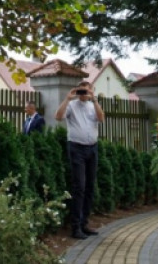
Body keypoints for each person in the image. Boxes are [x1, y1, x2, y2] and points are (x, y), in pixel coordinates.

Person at [55, 79, 105, 239]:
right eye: (81, 90)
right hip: (77, 148)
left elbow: (101, 118)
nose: (84, 93)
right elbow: (57, 117)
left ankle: (84, 224)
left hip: (92, 149)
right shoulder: (71, 105)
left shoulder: (92, 105)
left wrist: (94, 99)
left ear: (91, 90)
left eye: (87, 90)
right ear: (77, 91)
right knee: (79, 187)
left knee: (90, 187)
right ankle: (75, 227)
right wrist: (67, 99)